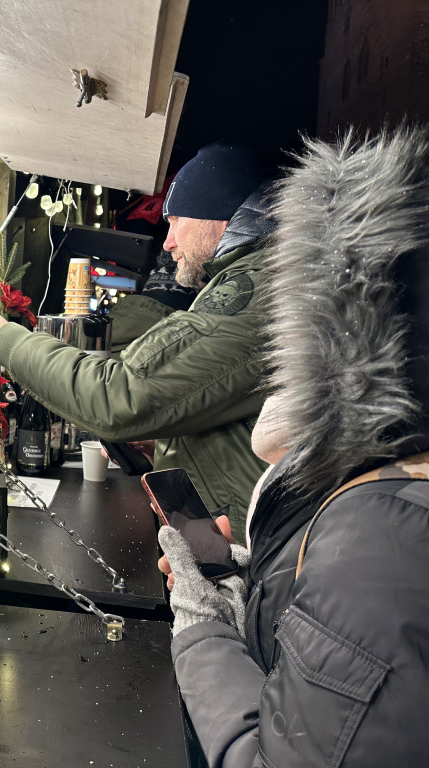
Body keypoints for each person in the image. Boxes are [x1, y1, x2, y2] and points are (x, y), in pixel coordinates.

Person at [160, 125, 429, 767]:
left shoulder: (381, 536)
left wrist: (202, 629)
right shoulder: (380, 489)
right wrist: (260, 587)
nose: (165, 237)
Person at [0, 144, 273, 538]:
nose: (169, 242)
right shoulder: (263, 280)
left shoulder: (251, 290)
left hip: (252, 546)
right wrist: (168, 445)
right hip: (241, 534)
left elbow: (121, 394)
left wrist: (9, 342)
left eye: (176, 222)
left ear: (219, 218)